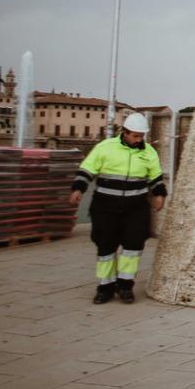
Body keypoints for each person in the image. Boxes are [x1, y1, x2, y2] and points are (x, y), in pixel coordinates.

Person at [68, 112, 167, 304]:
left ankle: (125, 285)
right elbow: (86, 170)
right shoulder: (105, 148)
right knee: (105, 246)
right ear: (125, 132)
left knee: (133, 245)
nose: (139, 140)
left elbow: (155, 177)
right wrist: (78, 189)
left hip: (135, 207)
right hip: (105, 207)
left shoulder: (148, 153)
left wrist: (160, 195)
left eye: (142, 136)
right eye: (136, 136)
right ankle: (105, 287)